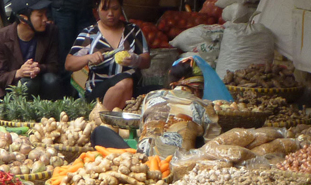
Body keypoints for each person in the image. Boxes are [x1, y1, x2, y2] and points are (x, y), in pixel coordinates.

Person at [90, 56, 220, 152]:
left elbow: (143, 132)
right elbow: (214, 146)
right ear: (198, 88)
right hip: (180, 165)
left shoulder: (152, 96)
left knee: (99, 132)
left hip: (142, 162)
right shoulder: (205, 106)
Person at [65, 0, 150, 111]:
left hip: (133, 89)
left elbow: (147, 61)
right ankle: (102, 119)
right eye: (105, 9)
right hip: (99, 92)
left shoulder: (133, 31)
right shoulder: (90, 34)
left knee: (162, 92)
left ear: (121, 8)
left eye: (115, 8)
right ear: (96, 10)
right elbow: (69, 64)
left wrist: (136, 59)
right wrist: (88, 57)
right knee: (125, 80)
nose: (110, 14)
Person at [0, 0, 68, 100]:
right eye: (40, 16)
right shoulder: (0, 38)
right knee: (28, 84)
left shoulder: (51, 31)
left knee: (51, 80)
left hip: (43, 88)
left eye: (45, 14)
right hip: (14, 92)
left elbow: (55, 66)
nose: (45, 19)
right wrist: (19, 73)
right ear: (23, 18)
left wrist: (38, 68)